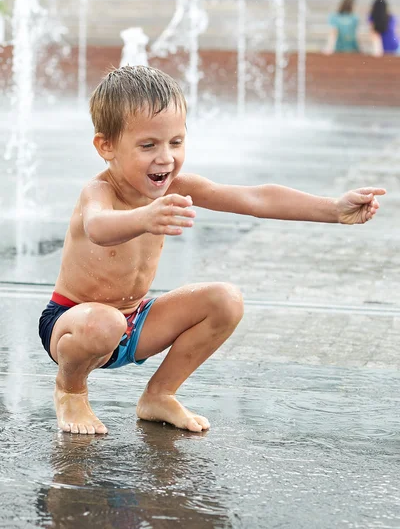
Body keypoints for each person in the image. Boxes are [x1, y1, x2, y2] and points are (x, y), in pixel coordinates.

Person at [38, 66, 385, 436]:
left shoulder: (179, 185)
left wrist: (333, 208)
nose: (165, 158)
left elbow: (256, 197)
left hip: (134, 322)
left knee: (225, 299)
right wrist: (144, 217)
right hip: (75, 324)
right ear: (106, 146)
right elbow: (97, 228)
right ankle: (70, 390)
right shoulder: (100, 192)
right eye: (148, 145)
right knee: (104, 322)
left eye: (176, 142)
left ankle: (159, 394)